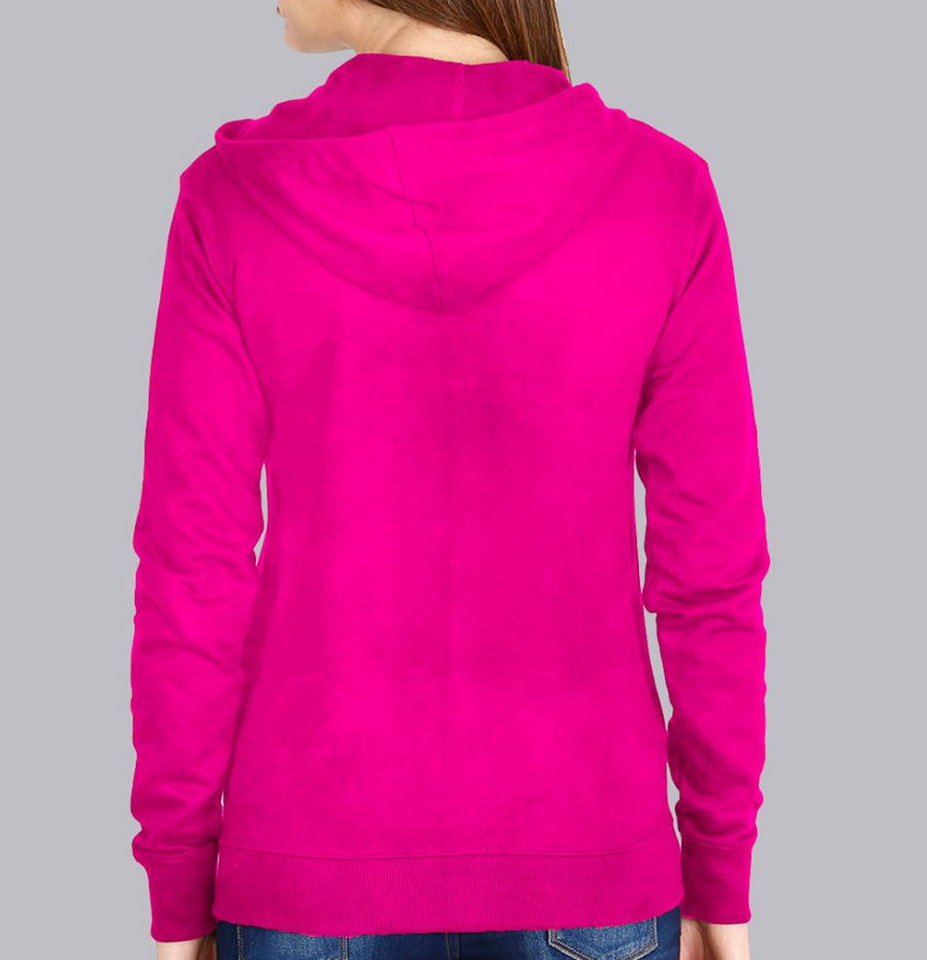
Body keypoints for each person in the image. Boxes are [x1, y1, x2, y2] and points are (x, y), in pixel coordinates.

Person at [128, 2, 772, 959]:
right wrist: (720, 874)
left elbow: (194, 568)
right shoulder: (659, 191)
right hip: (590, 863)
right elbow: (709, 574)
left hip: (307, 875)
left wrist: (179, 887)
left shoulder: (234, 201)